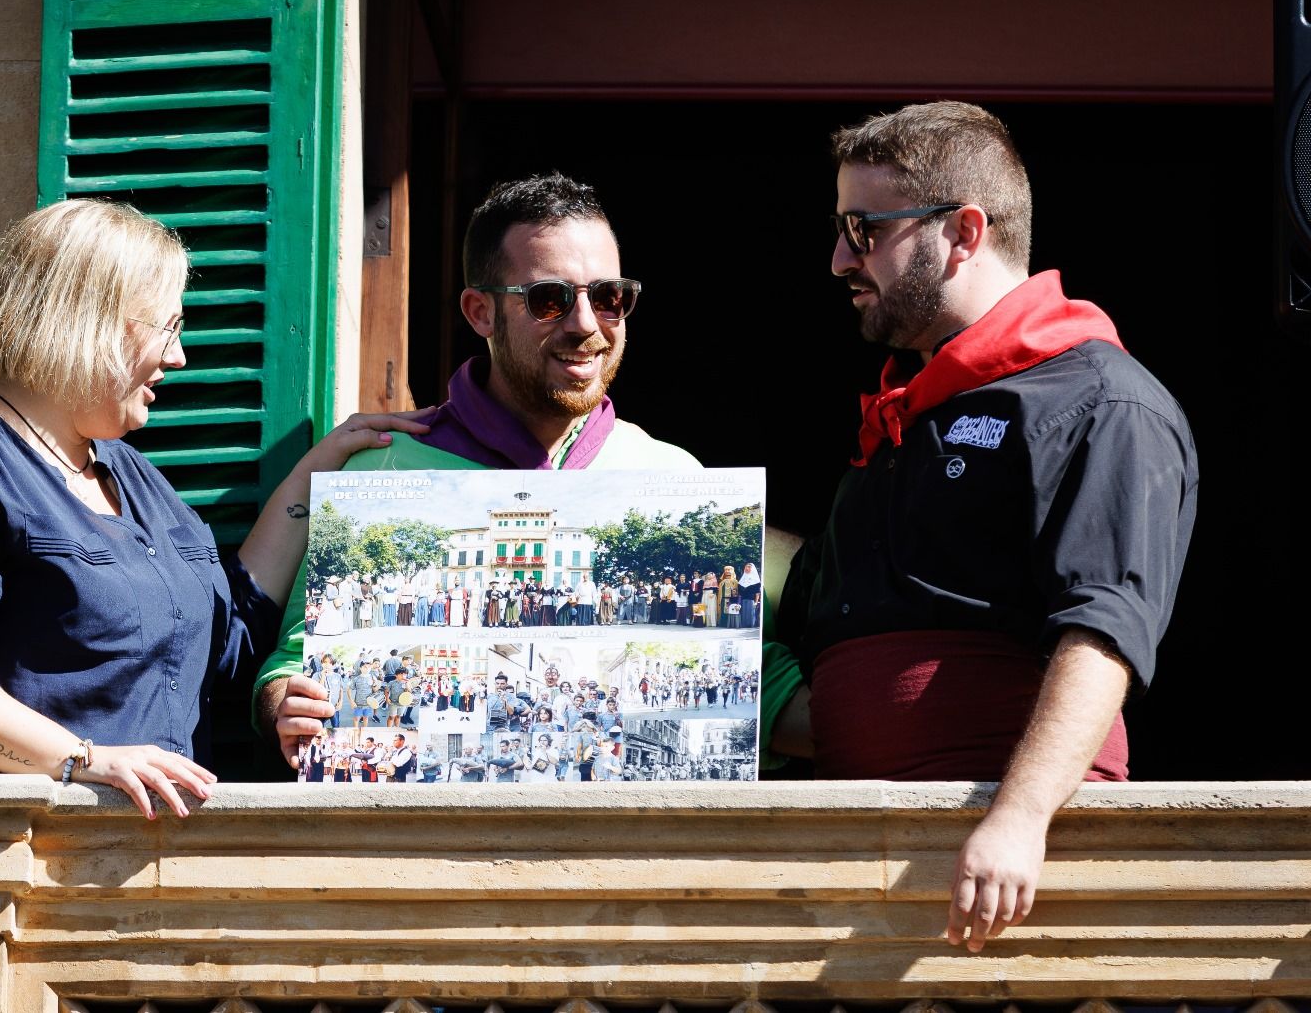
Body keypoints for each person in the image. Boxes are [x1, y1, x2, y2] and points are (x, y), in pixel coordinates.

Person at [768, 101, 1198, 953]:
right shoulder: (906, 408)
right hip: (870, 862)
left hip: (1000, 873)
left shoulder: (1101, 401)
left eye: (863, 229)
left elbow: (1103, 631)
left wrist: (1019, 817)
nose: (838, 260)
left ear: (963, 233)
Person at [0, 199, 430, 819]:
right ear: (88, 320)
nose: (178, 357)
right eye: (166, 328)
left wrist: (321, 472)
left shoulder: (128, 470)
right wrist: (79, 760)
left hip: (137, 873)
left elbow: (226, 638)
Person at [253, 172, 701, 765]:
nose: (586, 324)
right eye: (550, 298)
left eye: (610, 296)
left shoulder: (674, 477)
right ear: (480, 311)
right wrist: (287, 703)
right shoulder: (383, 468)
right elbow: (289, 665)